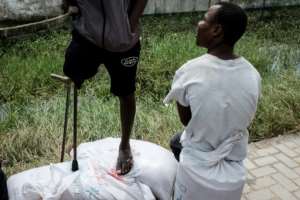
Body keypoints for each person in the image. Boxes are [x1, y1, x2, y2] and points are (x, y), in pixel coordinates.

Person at [164, 2, 261, 200]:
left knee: (176, 141)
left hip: (197, 164)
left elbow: (187, 121)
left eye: (204, 19)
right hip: (234, 160)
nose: (199, 23)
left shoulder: (189, 72)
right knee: (176, 141)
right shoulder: (253, 74)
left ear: (216, 30)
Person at [63, 0, 148, 175]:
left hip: (123, 42)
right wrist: (69, 3)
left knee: (126, 93)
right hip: (87, 36)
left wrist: (128, 26)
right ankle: (72, 143)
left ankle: (124, 145)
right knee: (72, 70)